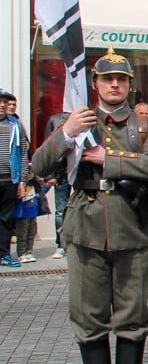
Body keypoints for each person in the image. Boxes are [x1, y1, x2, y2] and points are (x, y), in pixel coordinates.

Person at [32, 47, 148, 364]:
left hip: (132, 230)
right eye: (107, 78)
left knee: (132, 315)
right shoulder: (72, 122)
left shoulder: (146, 125)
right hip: (86, 230)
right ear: (94, 83)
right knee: (88, 315)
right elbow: (38, 167)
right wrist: (67, 133)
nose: (114, 84)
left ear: (129, 85)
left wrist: (103, 160)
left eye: (121, 79)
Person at [0, 88, 29, 268]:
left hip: (9, 181)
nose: (2, 105)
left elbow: (23, 153)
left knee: (5, 219)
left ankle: (4, 254)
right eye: (0, 101)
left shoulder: (15, 125)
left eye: (5, 101)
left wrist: (22, 181)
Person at [43, 111, 71, 259]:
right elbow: (48, 147)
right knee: (61, 210)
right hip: (61, 174)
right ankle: (61, 244)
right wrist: (50, 175)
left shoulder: (88, 119)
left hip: (82, 172)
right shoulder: (54, 120)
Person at [12, 164, 50, 263]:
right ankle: (21, 253)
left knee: (31, 233)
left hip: (33, 212)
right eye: (29, 172)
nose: (30, 174)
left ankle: (29, 251)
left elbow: (44, 190)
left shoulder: (35, 184)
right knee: (22, 233)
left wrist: (45, 182)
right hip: (23, 213)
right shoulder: (19, 185)